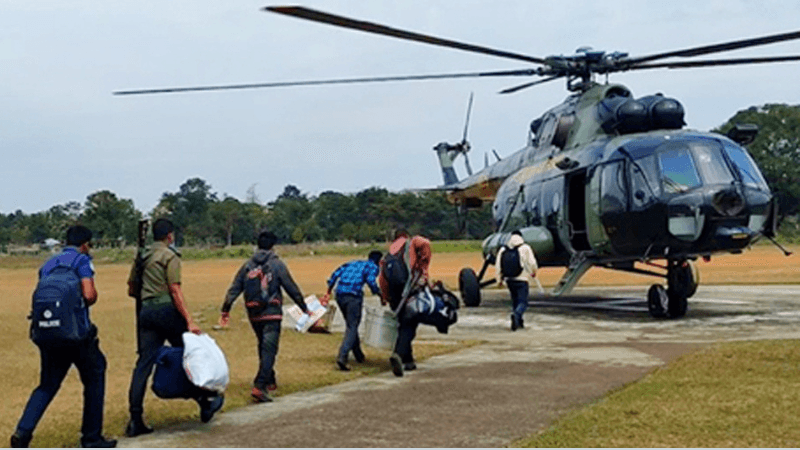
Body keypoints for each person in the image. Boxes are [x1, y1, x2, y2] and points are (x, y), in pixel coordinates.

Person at [11, 226, 116, 448]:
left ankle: (23, 432)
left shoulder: (47, 265)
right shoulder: (81, 261)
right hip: (77, 334)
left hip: (48, 332)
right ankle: (91, 437)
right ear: (85, 244)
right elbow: (88, 294)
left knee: (47, 384)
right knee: (95, 375)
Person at [125, 218, 224, 437]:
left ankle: (135, 418)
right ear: (169, 236)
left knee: (143, 364)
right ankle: (205, 399)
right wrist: (189, 319)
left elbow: (132, 289)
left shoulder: (142, 256)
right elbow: (175, 290)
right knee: (192, 355)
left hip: (146, 313)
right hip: (167, 310)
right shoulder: (170, 256)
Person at [218, 230, 310, 403]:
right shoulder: (277, 264)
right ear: (273, 246)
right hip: (272, 312)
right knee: (269, 349)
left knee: (263, 346)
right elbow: (291, 287)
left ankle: (270, 380)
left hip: (254, 313)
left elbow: (235, 288)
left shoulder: (247, 265)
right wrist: (304, 307)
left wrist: (226, 309)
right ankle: (259, 385)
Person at [378, 229, 432, 377]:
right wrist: (424, 266)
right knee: (409, 325)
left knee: (402, 324)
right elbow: (425, 243)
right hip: (409, 291)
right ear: (405, 236)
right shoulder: (411, 243)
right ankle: (398, 354)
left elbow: (382, 280)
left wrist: (385, 297)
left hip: (394, 296)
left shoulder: (388, 255)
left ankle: (409, 361)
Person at [324, 250, 383, 371]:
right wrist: (380, 295)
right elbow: (371, 281)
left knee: (351, 324)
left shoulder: (352, 263)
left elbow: (335, 274)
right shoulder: (372, 266)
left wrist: (328, 292)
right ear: (380, 261)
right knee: (352, 326)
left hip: (340, 295)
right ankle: (342, 356)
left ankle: (359, 355)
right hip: (353, 296)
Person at [495, 230, 538, 331]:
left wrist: (499, 280)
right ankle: (517, 315)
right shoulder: (525, 248)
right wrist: (533, 271)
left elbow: (498, 266)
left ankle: (518, 322)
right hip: (522, 278)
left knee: (515, 300)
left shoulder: (503, 249)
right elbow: (532, 263)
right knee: (523, 301)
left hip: (509, 279)